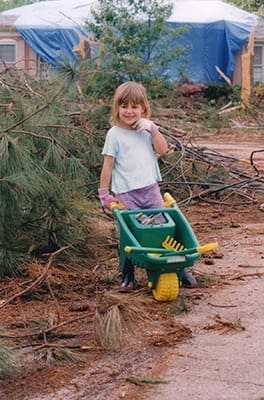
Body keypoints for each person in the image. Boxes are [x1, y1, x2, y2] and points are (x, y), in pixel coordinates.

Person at [98, 81, 197, 291]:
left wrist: (153, 130)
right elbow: (108, 166)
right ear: (117, 108)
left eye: (135, 106)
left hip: (150, 190)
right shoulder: (114, 135)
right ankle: (128, 275)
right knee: (131, 234)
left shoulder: (146, 130)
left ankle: (177, 267)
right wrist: (104, 194)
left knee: (163, 229)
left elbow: (163, 150)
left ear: (143, 108)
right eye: (124, 106)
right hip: (127, 194)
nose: (129, 111)